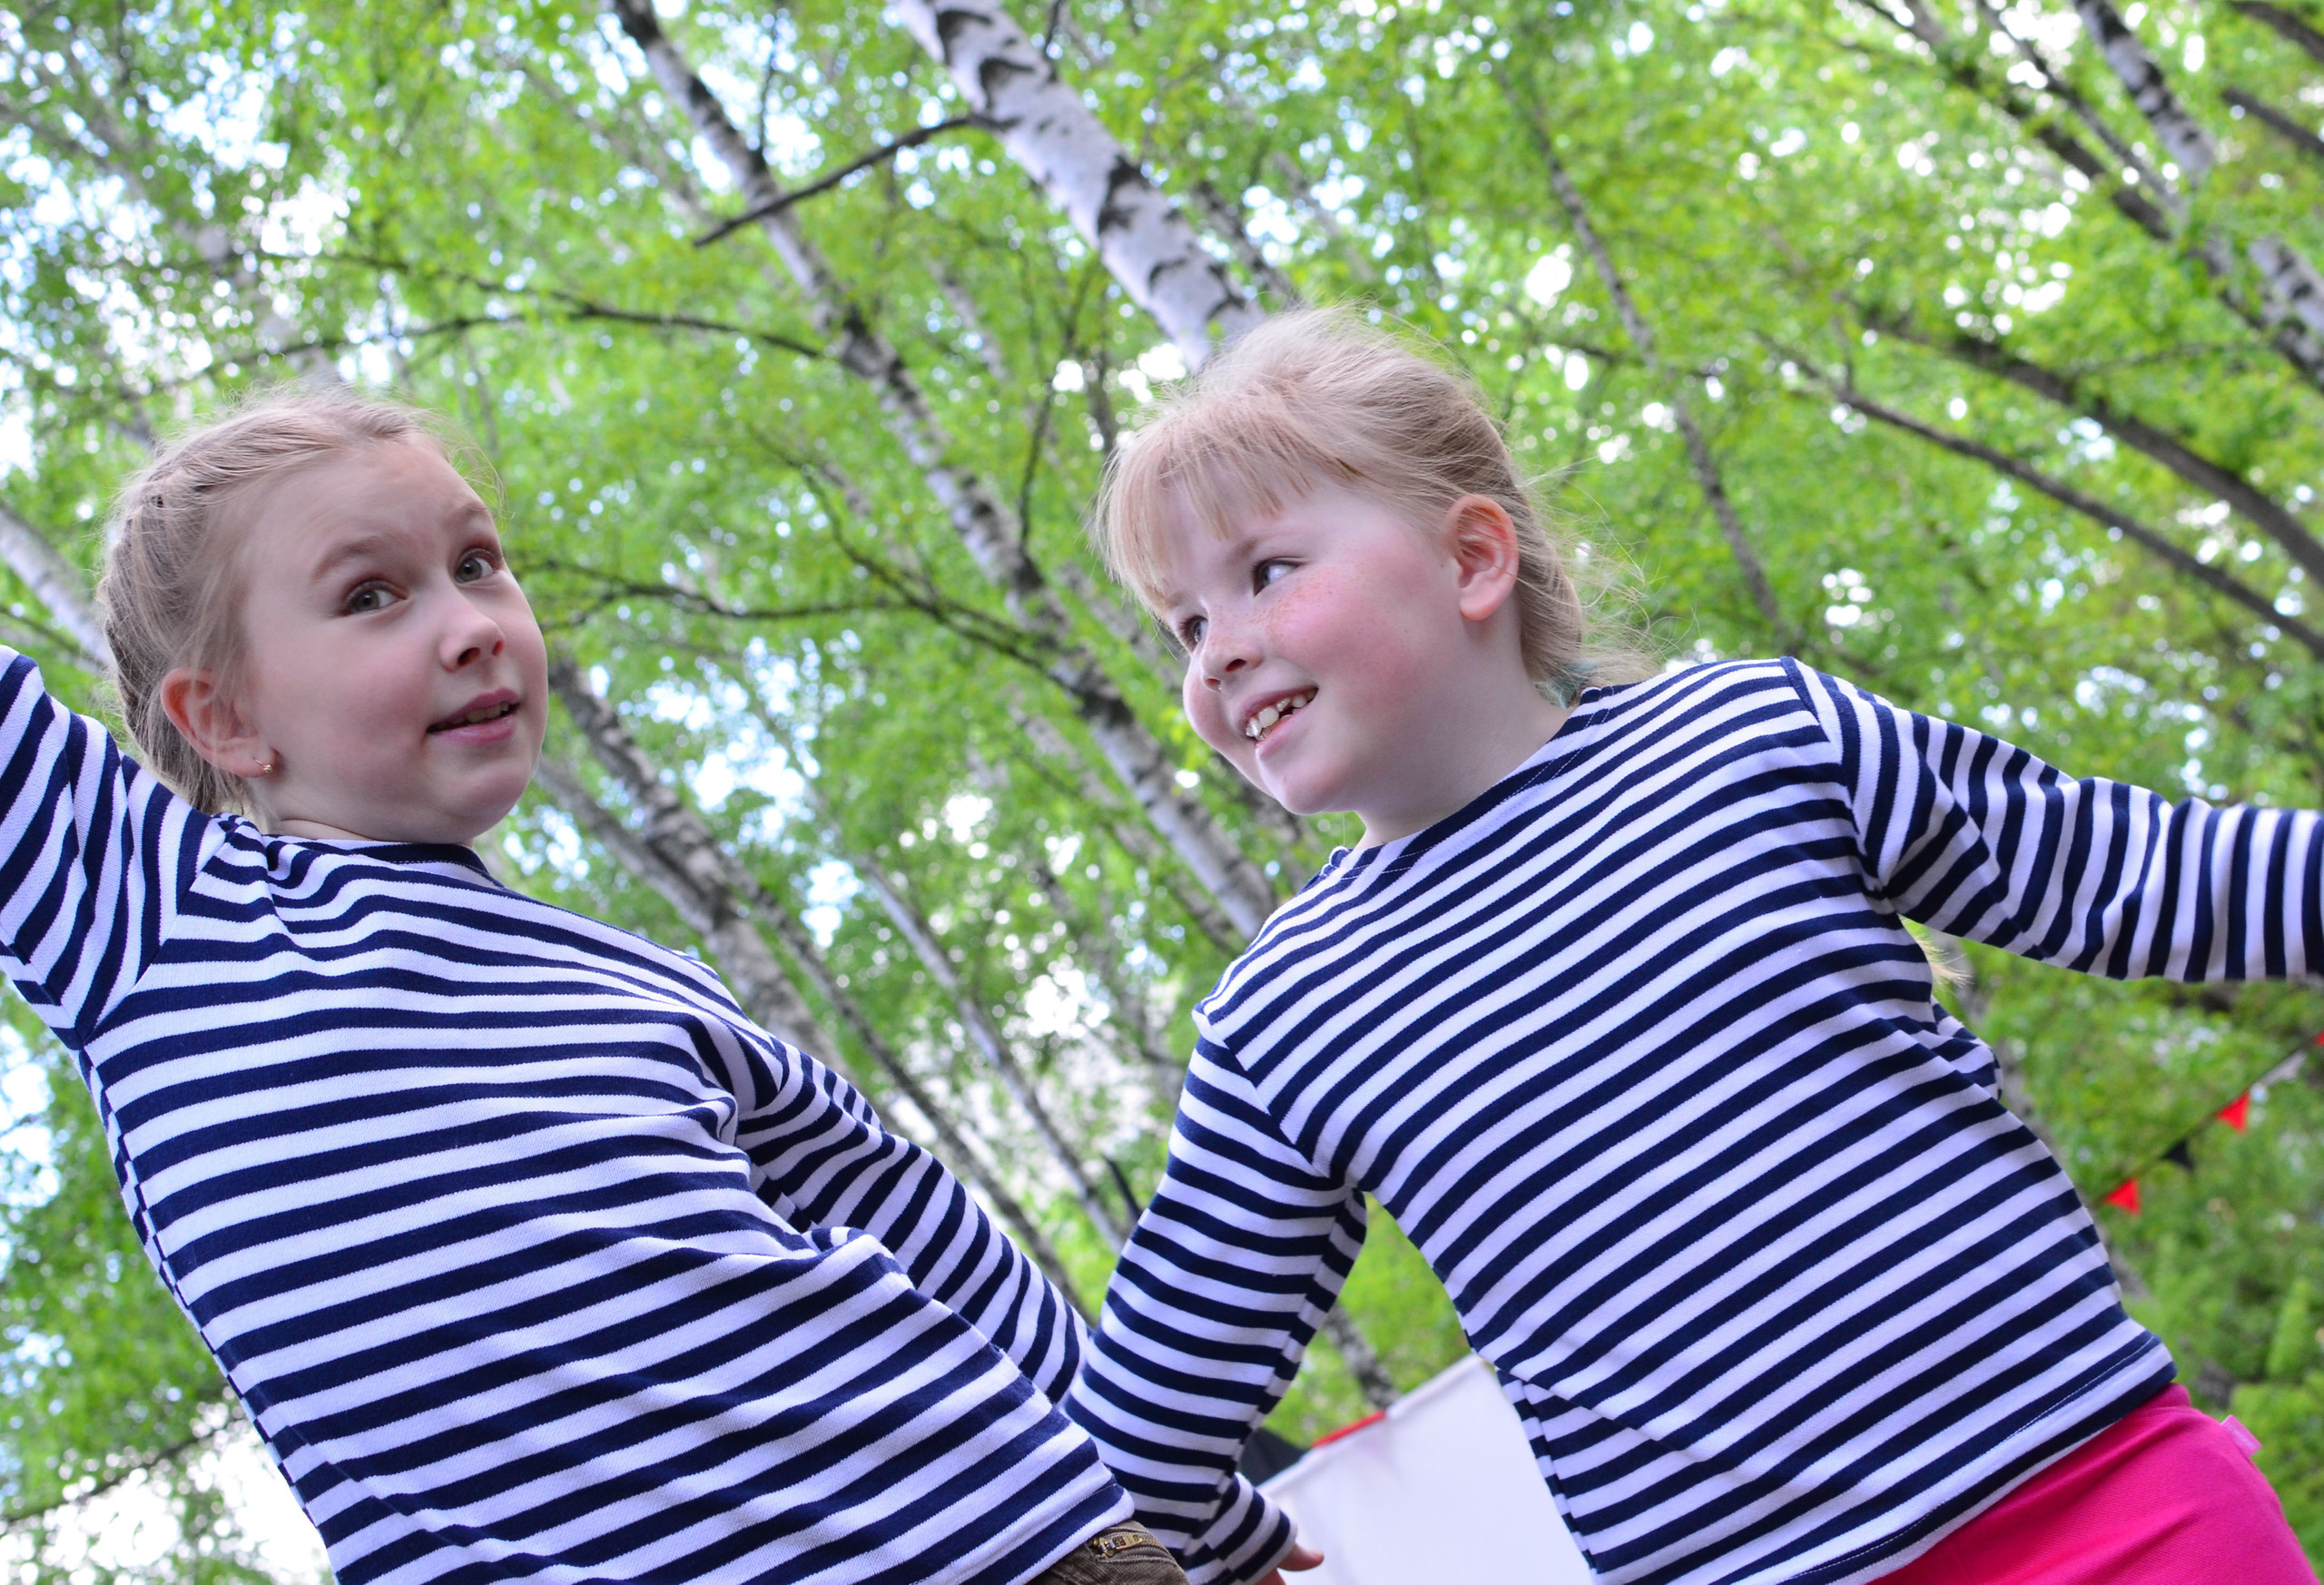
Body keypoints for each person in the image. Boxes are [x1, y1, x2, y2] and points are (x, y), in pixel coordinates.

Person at [1062, 307, 2319, 1585]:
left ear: (1472, 559)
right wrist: (1220, 1538)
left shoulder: (1754, 736)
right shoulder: (1288, 1014)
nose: (1216, 649)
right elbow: (1154, 1406)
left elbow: (2151, 878)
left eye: (1266, 570)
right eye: (1182, 623)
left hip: (2109, 1499)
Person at [0, 390, 1185, 1585]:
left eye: (477, 562)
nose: (469, 622)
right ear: (225, 716)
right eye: (372, 594)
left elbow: (925, 1234)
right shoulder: (162, 928)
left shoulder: (643, 981)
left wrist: (1182, 1490)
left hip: (1021, 1538)